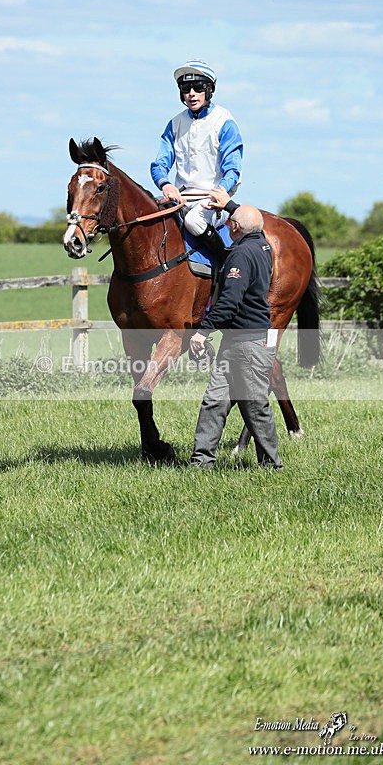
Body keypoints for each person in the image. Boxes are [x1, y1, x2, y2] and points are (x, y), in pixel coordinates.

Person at [189, 187, 283, 470]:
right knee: (214, 401)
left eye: (230, 222)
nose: (227, 225)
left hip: (249, 343)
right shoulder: (263, 244)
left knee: (254, 406)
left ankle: (271, 465)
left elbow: (229, 302)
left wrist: (202, 331)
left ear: (236, 228)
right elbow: (250, 221)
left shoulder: (241, 255)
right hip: (238, 341)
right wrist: (231, 205)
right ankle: (201, 461)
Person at [150, 59, 243, 259]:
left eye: (198, 87)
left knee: (193, 221)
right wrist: (165, 184)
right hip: (180, 198)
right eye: (185, 88)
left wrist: (221, 194)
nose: (191, 93)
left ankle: (226, 260)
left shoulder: (224, 122)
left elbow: (233, 170)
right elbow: (159, 164)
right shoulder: (174, 123)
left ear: (209, 89)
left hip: (214, 200)